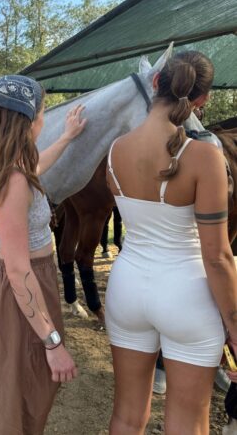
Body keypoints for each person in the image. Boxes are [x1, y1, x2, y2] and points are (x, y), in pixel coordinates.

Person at [104, 51, 237, 434]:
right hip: (186, 295)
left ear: (156, 83)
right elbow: (218, 257)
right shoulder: (204, 158)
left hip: (126, 289)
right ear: (202, 101)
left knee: (127, 416)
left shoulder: (115, 150)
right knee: (187, 422)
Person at [0, 75, 86, 435]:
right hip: (21, 287)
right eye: (43, 113)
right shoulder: (14, 180)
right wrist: (53, 343)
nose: (44, 120)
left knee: (17, 392)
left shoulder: (7, 166)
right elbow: (18, 271)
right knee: (20, 397)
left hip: (21, 283)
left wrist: (66, 137)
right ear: (27, 121)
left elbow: (34, 170)